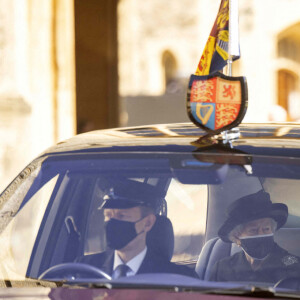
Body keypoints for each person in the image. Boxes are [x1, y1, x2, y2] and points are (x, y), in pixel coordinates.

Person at [77, 179, 197, 279]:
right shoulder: (81, 270)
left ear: (148, 223)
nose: (112, 223)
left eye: (122, 216)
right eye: (108, 215)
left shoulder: (179, 279)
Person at [209, 190, 300, 284]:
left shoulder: (294, 266)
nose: (261, 234)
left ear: (272, 231)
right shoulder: (222, 268)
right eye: (253, 230)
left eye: (266, 229)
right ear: (237, 238)